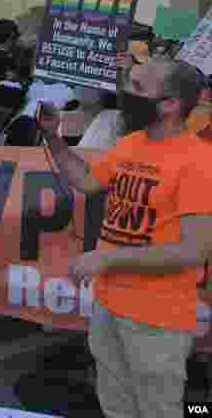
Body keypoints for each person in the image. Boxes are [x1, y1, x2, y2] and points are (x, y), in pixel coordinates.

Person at [37, 58, 212, 418]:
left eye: (137, 86)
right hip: (109, 305)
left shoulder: (198, 162)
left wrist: (108, 258)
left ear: (171, 104)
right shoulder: (130, 143)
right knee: (116, 407)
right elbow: (87, 181)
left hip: (157, 319)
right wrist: (53, 138)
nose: (125, 92)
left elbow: (194, 250)